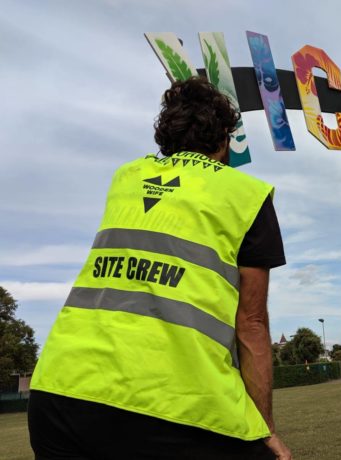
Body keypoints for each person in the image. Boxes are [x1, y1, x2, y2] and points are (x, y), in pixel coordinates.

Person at [28, 76, 292, 460]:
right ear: (224, 139)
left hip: (60, 391)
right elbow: (251, 324)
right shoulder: (247, 194)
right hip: (173, 403)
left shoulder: (126, 177)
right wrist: (266, 429)